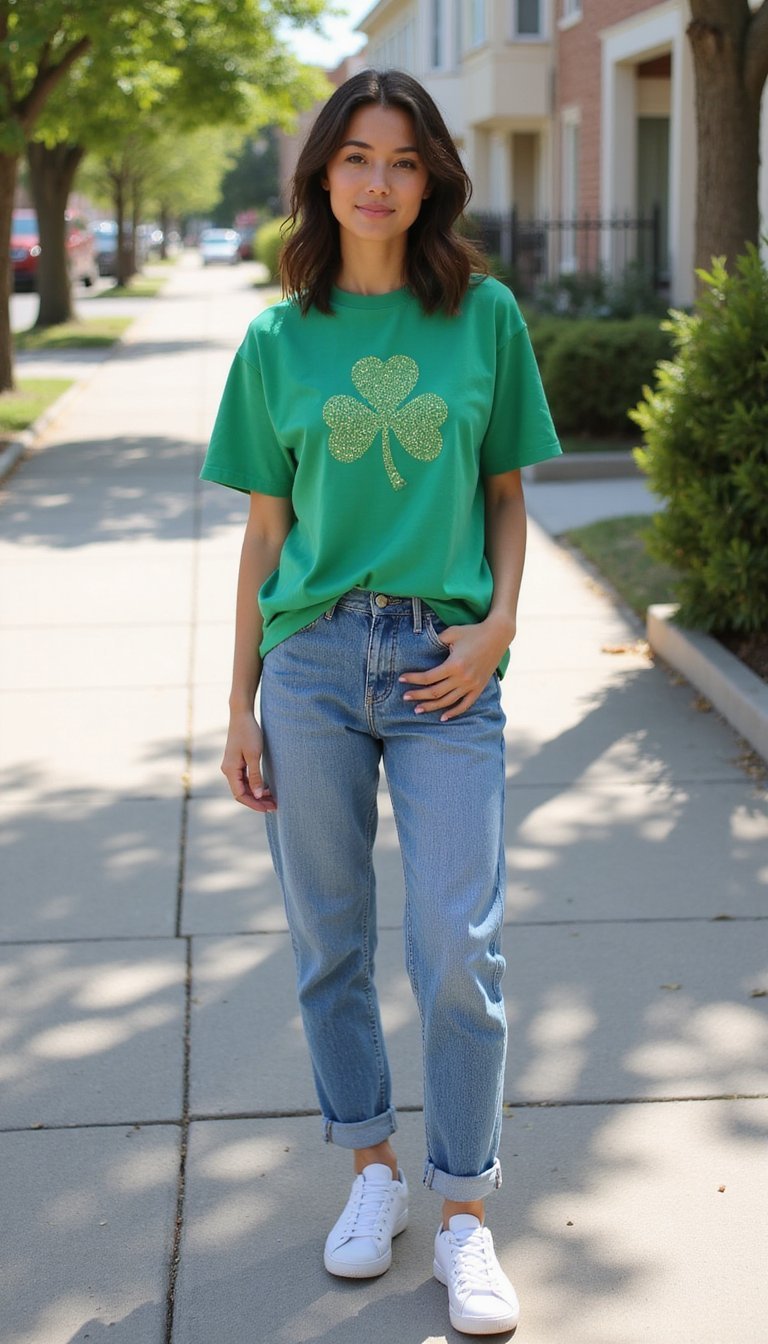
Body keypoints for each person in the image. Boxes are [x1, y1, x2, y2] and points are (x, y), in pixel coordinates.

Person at [201, 68, 561, 1337]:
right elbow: (264, 535)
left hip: (443, 662)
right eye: (356, 156)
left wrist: (499, 628)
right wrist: (239, 704)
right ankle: (371, 1171)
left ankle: (464, 1213)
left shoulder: (485, 317)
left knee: (459, 942)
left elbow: (508, 497)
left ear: (432, 179)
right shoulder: (276, 339)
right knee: (331, 940)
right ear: (321, 175)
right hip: (308, 665)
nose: (378, 181)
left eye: (404, 161)